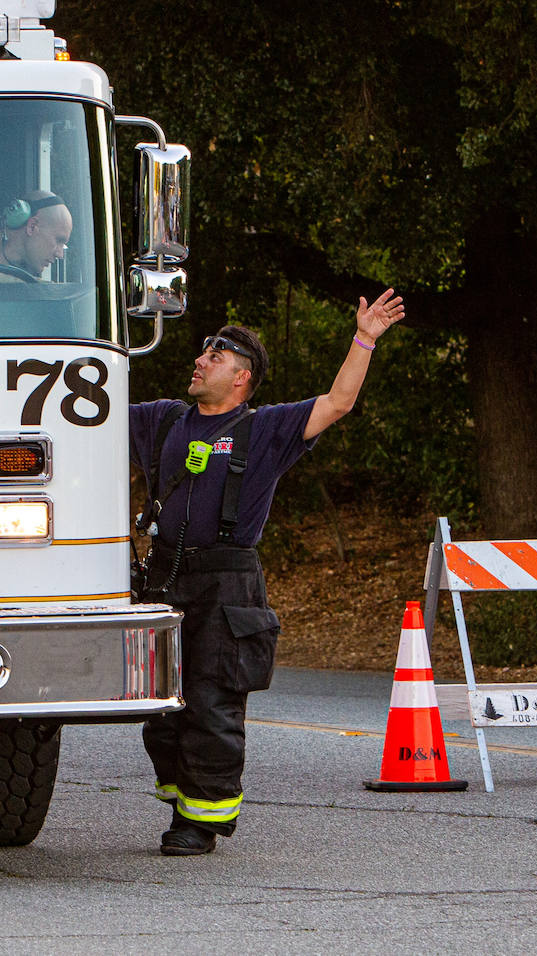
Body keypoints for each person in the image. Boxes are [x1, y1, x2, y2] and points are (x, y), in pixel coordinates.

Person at [130, 289, 405, 856]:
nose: (201, 359)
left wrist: (365, 338)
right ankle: (186, 794)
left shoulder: (267, 430)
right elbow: (87, 412)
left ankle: (200, 822)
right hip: (161, 580)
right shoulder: (161, 421)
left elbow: (337, 402)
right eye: (203, 351)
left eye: (216, 355)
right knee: (161, 709)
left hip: (228, 584)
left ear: (241, 377)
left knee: (211, 701)